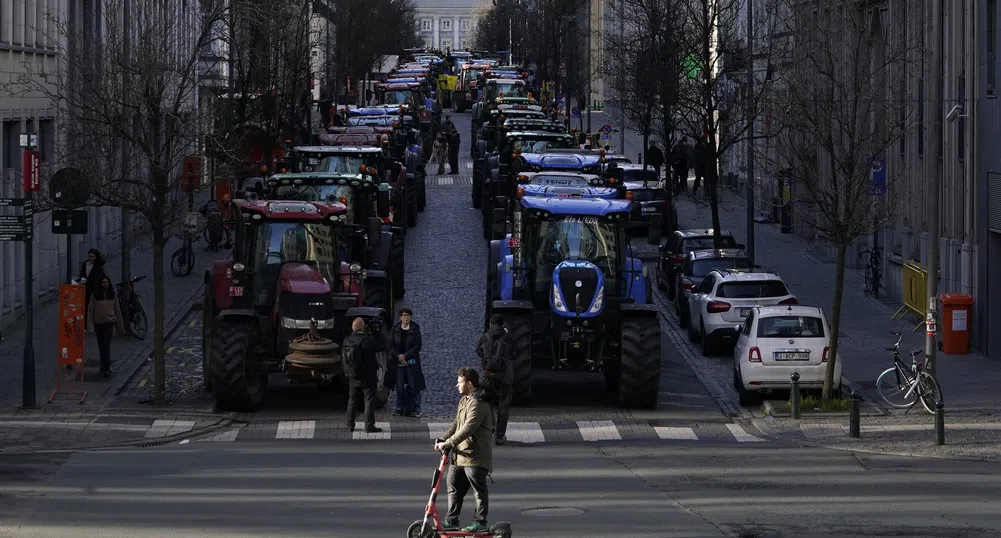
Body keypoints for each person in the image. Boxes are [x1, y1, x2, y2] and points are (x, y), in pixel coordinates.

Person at [434, 367, 495, 532]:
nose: (456, 385)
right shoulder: (464, 400)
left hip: (475, 456)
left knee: (478, 491)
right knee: (453, 486)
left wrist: (448, 444)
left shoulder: (479, 404)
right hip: (460, 455)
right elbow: (456, 425)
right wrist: (444, 438)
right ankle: (452, 520)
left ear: (469, 383)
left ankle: (480, 522)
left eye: (459, 382)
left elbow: (468, 428)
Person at [342, 317, 386, 433]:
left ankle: (350, 425)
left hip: (352, 376)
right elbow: (381, 346)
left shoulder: (347, 341)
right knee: (369, 401)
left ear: (353, 328)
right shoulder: (367, 340)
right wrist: (378, 333)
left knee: (352, 401)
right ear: (363, 327)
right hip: (368, 376)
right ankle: (369, 425)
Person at [476, 314, 513, 445]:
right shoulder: (508, 336)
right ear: (502, 325)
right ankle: (500, 436)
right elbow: (516, 351)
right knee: (503, 405)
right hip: (504, 376)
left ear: (491, 324)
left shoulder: (484, 337)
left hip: (488, 375)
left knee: (486, 400)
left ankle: (490, 424)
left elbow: (478, 352)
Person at [86, 276, 125, 377]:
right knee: (101, 346)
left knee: (106, 345)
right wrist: (90, 327)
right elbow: (90, 311)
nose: (105, 284)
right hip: (99, 324)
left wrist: (120, 328)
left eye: (107, 282)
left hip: (109, 324)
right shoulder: (95, 296)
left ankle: (106, 367)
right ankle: (103, 366)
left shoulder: (112, 295)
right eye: (103, 282)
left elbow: (117, 311)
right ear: (100, 284)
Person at [390, 307, 425, 417]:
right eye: (404, 315)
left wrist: (405, 356)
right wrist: (399, 356)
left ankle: (417, 408)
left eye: (408, 315)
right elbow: (391, 345)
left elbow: (417, 346)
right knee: (399, 387)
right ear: (400, 317)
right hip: (398, 363)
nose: (406, 317)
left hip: (412, 362)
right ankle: (399, 407)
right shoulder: (395, 329)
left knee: (414, 385)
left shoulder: (415, 329)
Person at [79, 249, 106, 325]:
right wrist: (82, 281)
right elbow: (82, 274)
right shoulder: (85, 264)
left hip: (95, 289)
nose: (91, 258)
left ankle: (95, 323)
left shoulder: (98, 266)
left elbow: (101, 278)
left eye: (93, 257)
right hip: (86, 288)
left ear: (96, 257)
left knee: (94, 307)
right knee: (85, 306)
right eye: (90, 256)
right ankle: (86, 324)